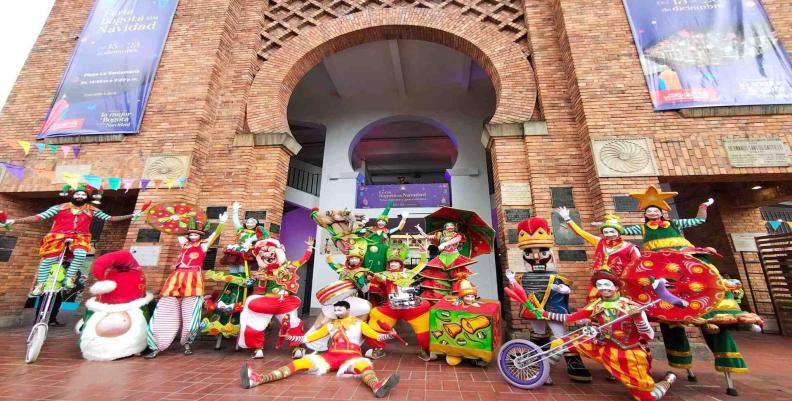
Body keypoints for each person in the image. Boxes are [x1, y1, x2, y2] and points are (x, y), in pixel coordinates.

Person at [540, 271, 677, 401]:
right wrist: (544, 314)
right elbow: (571, 318)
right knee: (559, 344)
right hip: (600, 346)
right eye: (599, 285)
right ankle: (543, 375)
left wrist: (638, 318)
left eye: (607, 285)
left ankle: (668, 381)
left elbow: (648, 335)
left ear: (616, 287)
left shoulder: (632, 307)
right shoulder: (596, 305)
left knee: (647, 397)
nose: (603, 288)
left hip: (627, 353)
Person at [621, 185, 714, 374]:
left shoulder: (674, 224)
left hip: (679, 262)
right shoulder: (643, 228)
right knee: (659, 293)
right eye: (649, 211)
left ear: (662, 212)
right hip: (658, 266)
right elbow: (622, 230)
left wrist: (703, 206)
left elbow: (698, 221)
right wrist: (606, 226)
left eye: (655, 210)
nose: (653, 213)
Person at [240, 300, 401, 398]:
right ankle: (259, 379)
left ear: (348, 310)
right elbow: (308, 338)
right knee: (300, 363)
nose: (337, 312)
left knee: (365, 367)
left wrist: (389, 335)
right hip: (330, 356)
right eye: (336, 310)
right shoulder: (330, 325)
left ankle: (377, 387)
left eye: (340, 310)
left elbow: (378, 337)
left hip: (352, 357)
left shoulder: (360, 324)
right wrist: (290, 338)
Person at [7, 184, 139, 296]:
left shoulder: (92, 209)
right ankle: (40, 284)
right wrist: (15, 220)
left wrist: (131, 215)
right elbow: (39, 217)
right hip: (57, 236)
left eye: (83, 195)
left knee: (81, 254)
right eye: (78, 194)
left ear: (87, 197)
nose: (80, 196)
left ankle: (69, 278)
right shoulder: (59, 207)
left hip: (80, 237)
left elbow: (110, 218)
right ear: (73, 195)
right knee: (49, 260)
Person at [506, 217, 591, 383]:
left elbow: (566, 289)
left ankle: (573, 361)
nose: (536, 258)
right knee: (538, 334)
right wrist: (512, 280)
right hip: (534, 309)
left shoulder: (556, 276)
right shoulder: (525, 276)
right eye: (529, 253)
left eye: (543, 252)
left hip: (553, 310)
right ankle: (538, 362)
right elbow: (520, 290)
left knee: (561, 335)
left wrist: (562, 289)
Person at [145, 214, 226, 358]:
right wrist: (177, 221)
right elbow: (177, 232)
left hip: (193, 277)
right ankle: (156, 344)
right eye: (191, 233)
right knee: (164, 308)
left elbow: (215, 235)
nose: (193, 235)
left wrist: (221, 223)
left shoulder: (203, 245)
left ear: (200, 236)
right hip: (177, 276)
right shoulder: (184, 244)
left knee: (192, 313)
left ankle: (187, 342)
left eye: (196, 234)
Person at [237, 237, 314, 359]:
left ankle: (296, 347)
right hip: (267, 302)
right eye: (262, 252)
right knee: (254, 324)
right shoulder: (262, 271)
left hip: (285, 301)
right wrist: (254, 280)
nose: (267, 254)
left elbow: (303, 260)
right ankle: (257, 348)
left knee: (293, 323)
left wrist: (310, 247)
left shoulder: (290, 267)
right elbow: (255, 284)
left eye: (270, 249)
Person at [77, 251, 153, 361]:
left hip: (128, 306)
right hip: (118, 307)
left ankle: (131, 346)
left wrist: (101, 278)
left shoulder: (129, 269)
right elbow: (101, 264)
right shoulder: (128, 270)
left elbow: (102, 263)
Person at [557, 207, 640, 300]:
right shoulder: (599, 242)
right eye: (606, 232)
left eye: (612, 231)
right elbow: (581, 233)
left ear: (618, 232)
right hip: (600, 280)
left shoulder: (630, 247)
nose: (609, 234)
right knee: (593, 298)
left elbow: (637, 265)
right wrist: (568, 219)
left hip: (619, 282)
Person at [366, 242, 431, 361]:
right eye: (391, 263)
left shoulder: (408, 273)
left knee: (424, 322)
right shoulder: (384, 275)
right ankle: (377, 348)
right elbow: (379, 281)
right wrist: (376, 277)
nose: (394, 264)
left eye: (396, 262)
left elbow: (422, 264)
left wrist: (423, 252)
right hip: (392, 306)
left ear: (401, 263)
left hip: (410, 307)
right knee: (376, 315)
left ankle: (425, 348)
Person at [415, 222, 476, 301]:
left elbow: (454, 241)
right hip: (443, 257)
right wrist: (421, 231)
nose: (450, 227)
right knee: (439, 276)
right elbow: (427, 237)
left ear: (454, 227)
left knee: (457, 277)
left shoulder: (458, 235)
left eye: (451, 225)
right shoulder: (440, 235)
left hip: (454, 257)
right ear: (445, 227)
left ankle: (457, 297)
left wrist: (444, 244)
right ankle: (439, 298)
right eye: (448, 225)